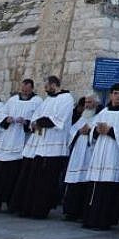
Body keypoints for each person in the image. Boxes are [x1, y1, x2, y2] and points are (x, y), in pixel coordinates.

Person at [11, 75, 74, 219]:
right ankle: (29, 208)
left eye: (46, 86)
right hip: (40, 146)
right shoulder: (48, 99)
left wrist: (39, 121)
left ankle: (40, 210)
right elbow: (37, 115)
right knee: (34, 179)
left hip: (54, 147)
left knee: (46, 182)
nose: (45, 89)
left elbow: (58, 120)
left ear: (53, 84)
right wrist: (34, 123)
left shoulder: (67, 98)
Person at [0, 78, 41, 213]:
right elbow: (1, 114)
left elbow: (37, 118)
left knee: (15, 176)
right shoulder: (13, 100)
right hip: (7, 139)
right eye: (23, 88)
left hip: (22, 142)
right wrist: (7, 119)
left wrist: (27, 122)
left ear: (32, 88)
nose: (24, 91)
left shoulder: (38, 101)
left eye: (27, 89)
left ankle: (13, 203)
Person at [83, 83, 119, 231]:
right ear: (110, 95)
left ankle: (105, 220)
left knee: (109, 189)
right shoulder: (102, 112)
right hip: (99, 154)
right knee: (95, 188)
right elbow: (92, 133)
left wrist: (111, 131)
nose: (117, 96)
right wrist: (96, 131)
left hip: (113, 155)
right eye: (115, 93)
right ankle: (90, 219)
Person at [61, 93, 100, 220]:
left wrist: (89, 132)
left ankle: (82, 213)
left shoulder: (99, 116)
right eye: (86, 102)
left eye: (90, 102)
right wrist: (79, 131)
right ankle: (71, 212)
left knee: (85, 184)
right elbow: (72, 131)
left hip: (89, 153)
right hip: (78, 153)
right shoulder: (83, 117)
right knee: (74, 183)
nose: (87, 105)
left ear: (96, 103)